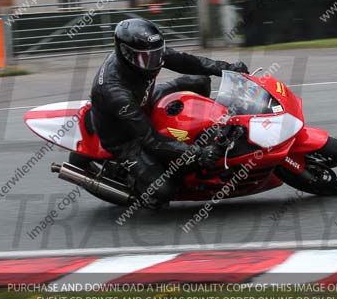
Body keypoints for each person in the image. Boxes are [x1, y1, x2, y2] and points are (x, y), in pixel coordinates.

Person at [89, 18, 248, 207]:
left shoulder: (146, 54)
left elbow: (187, 62)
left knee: (199, 81)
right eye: (148, 58)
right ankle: (129, 179)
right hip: (126, 137)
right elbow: (151, 140)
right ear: (126, 54)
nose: (155, 62)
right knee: (163, 191)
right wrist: (199, 153)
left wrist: (228, 69)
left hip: (145, 101)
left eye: (157, 54)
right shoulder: (114, 90)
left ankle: (209, 124)